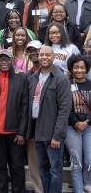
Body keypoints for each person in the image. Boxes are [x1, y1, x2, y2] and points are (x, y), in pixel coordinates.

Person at [27, 46, 72, 193]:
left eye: (48, 55)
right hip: (38, 131)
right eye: (42, 55)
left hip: (53, 133)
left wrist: (57, 136)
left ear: (54, 57)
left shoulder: (61, 78)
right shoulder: (34, 78)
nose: (44, 57)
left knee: (55, 170)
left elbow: (64, 110)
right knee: (43, 168)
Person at [0, 49, 28, 193]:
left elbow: (25, 107)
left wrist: (22, 132)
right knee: (0, 165)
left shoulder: (21, 78)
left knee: (17, 166)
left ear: (12, 61)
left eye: (7, 59)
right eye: (1, 59)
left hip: (15, 132)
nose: (4, 62)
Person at [66, 54, 91, 193]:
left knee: (89, 161)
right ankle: (78, 190)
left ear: (87, 69)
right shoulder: (67, 84)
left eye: (82, 67)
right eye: (76, 68)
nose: (79, 70)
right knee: (77, 163)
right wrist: (76, 123)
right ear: (71, 68)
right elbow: (64, 107)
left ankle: (86, 183)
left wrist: (86, 122)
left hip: (89, 127)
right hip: (71, 128)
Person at [24, 40, 44, 193]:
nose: (33, 53)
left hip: (48, 125)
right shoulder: (27, 75)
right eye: (30, 51)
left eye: (36, 50)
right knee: (33, 163)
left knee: (48, 161)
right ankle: (38, 190)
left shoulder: (54, 72)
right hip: (32, 124)